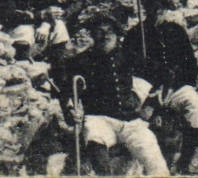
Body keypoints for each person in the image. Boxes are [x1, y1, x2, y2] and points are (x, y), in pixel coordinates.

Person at [58, 12, 172, 176]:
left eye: (109, 31)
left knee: (156, 162)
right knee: (94, 140)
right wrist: (70, 112)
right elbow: (66, 93)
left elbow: (162, 75)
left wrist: (151, 105)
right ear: (92, 34)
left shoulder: (130, 57)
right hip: (99, 119)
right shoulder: (79, 62)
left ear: (117, 34)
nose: (105, 35)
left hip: (131, 121)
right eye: (99, 31)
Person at [124, 0, 198, 174]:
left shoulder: (176, 31)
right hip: (146, 89)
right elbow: (127, 67)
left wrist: (174, 86)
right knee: (138, 124)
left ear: (164, 9)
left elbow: (189, 64)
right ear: (145, 9)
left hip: (175, 87)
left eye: (160, 9)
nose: (156, 13)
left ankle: (184, 162)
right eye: (151, 9)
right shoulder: (135, 35)